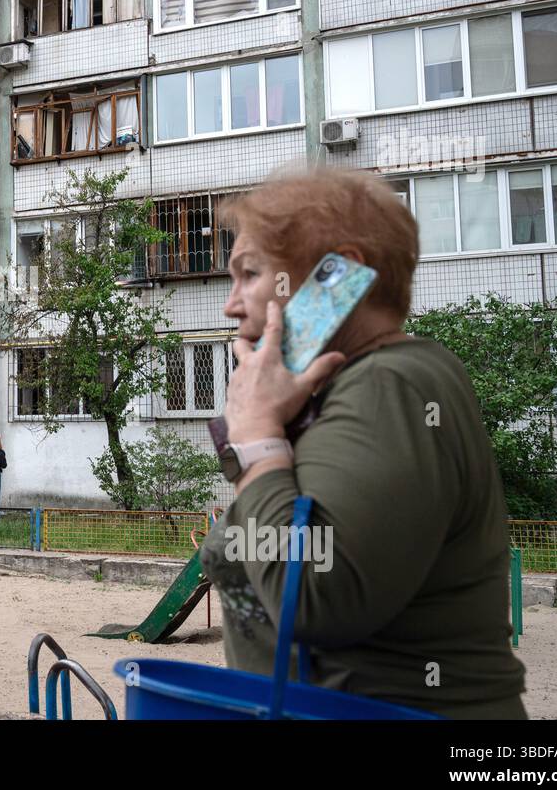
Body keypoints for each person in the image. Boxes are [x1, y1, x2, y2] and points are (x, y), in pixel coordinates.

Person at [199, 166, 527, 719]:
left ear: (338, 273)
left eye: (250, 274)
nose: (232, 305)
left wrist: (255, 440)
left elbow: (314, 599)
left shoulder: (390, 384)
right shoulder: (356, 389)